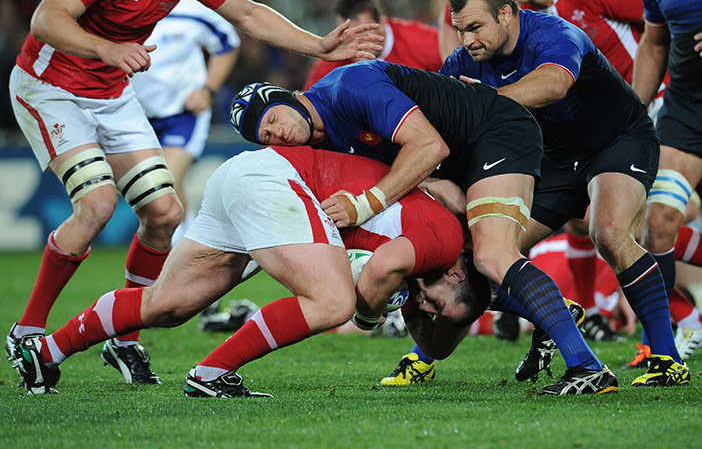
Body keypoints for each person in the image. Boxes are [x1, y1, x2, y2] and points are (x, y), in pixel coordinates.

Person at [5, 0, 383, 385]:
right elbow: (45, 20)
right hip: (50, 87)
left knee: (165, 214)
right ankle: (26, 333)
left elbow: (248, 14)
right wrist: (106, 49)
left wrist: (318, 46)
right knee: (97, 206)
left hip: (111, 94)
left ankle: (125, 339)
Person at [230, 66, 619, 395]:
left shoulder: (347, 88)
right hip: (446, 166)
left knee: (488, 255)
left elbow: (430, 147)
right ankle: (549, 313)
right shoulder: (323, 142)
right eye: (264, 135)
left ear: (290, 96)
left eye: (273, 118)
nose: (276, 133)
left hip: (495, 131)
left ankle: (588, 367)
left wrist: (366, 203)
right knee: (438, 267)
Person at [11, 145, 489, 397]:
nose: (424, 308)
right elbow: (382, 268)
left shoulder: (439, 231)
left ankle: (47, 353)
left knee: (168, 305)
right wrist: (366, 318)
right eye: (438, 305)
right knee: (333, 302)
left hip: (246, 177)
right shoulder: (445, 240)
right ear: (455, 275)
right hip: (281, 183)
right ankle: (212, 372)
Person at [441, 0, 688, 386]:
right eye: (460, 31)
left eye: (475, 28)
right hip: (555, 160)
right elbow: (443, 115)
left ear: (506, 13)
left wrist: (486, 102)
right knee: (484, 255)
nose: (466, 41)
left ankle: (666, 357)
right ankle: (572, 341)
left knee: (607, 231)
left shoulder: (554, 31)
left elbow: (555, 83)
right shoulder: (465, 62)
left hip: (619, 140)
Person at [633, 0, 702, 370]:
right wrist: (634, 113)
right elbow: (654, 42)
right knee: (655, 224)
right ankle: (661, 352)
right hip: (685, 116)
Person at [130, 0, 240, 243]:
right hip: (131, 116)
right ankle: (190, 242)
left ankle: (174, 252)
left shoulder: (191, 10)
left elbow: (228, 43)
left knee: (160, 184)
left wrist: (208, 90)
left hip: (183, 115)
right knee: (165, 192)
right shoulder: (121, 5)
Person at [302, 0, 443, 90]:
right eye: (348, 35)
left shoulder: (422, 40)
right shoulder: (329, 66)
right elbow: (309, 110)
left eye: (364, 30)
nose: (358, 41)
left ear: (382, 21)